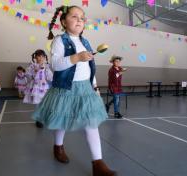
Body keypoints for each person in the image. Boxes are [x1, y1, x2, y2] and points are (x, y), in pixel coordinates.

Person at [32, 5, 117, 176]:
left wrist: (94, 86)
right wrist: (76, 57)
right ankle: (58, 146)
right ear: (63, 21)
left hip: (84, 88)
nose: (79, 20)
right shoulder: (59, 40)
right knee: (61, 120)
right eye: (74, 16)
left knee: (91, 124)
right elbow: (55, 65)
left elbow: (90, 67)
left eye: (82, 17)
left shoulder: (85, 42)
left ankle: (98, 163)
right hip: (65, 88)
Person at [23, 49, 53, 128]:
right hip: (36, 87)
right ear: (35, 57)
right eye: (38, 56)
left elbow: (50, 77)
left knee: (45, 104)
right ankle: (39, 119)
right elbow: (27, 75)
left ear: (44, 57)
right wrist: (34, 72)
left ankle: (44, 117)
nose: (39, 58)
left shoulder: (46, 66)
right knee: (38, 104)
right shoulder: (32, 66)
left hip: (44, 87)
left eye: (41, 56)